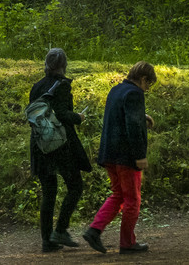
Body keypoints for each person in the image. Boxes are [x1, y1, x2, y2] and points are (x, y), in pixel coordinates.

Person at [82, 61, 157, 254]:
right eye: (148, 85)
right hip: (126, 156)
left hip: (109, 154)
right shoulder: (135, 93)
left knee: (118, 195)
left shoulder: (116, 90)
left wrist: (142, 116)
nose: (147, 89)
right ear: (142, 79)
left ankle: (94, 230)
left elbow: (121, 115)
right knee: (132, 199)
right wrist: (140, 156)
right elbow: (131, 125)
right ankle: (127, 243)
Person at [29, 48, 92, 252]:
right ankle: (61, 230)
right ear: (64, 65)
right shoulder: (62, 86)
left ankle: (47, 241)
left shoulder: (37, 86)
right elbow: (63, 114)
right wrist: (79, 118)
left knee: (49, 192)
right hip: (60, 145)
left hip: (39, 145)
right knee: (75, 186)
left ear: (46, 64)